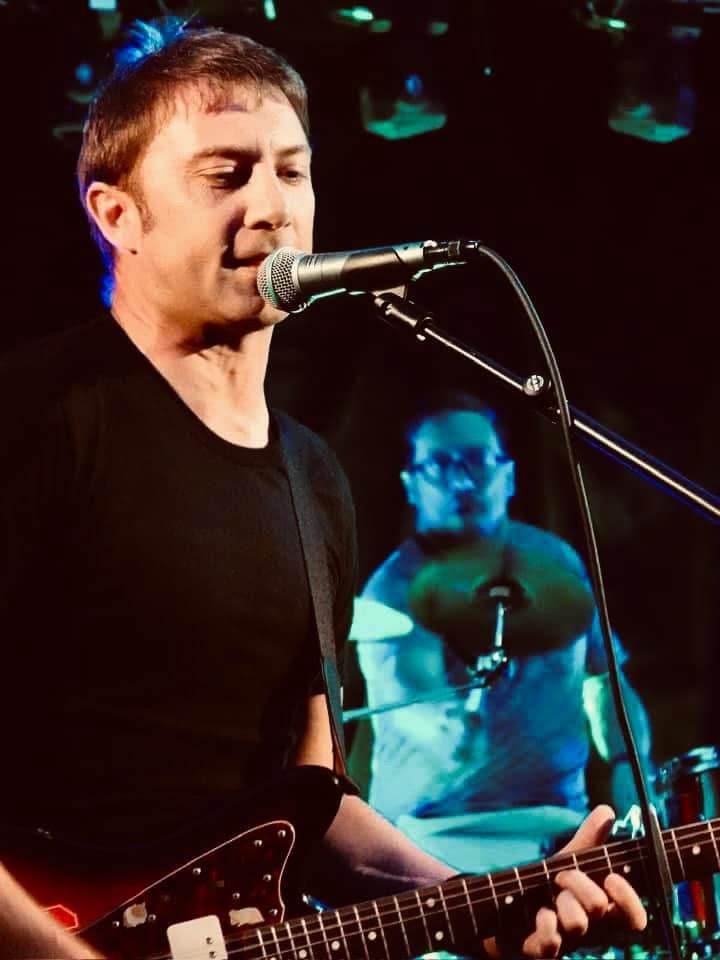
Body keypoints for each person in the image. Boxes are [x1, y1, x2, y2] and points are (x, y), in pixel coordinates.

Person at [0, 19, 647, 959]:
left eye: (291, 171)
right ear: (117, 215)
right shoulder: (37, 416)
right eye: (225, 175)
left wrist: (477, 906)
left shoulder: (312, 480)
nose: (272, 207)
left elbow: (310, 805)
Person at [355, 393, 653, 873]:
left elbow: (606, 683)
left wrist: (629, 769)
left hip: (559, 826)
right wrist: (457, 721)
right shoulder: (391, 592)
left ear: (508, 475)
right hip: (437, 839)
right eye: (441, 465)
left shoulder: (555, 562)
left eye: (477, 460)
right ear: (411, 485)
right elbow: (423, 707)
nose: (462, 479)